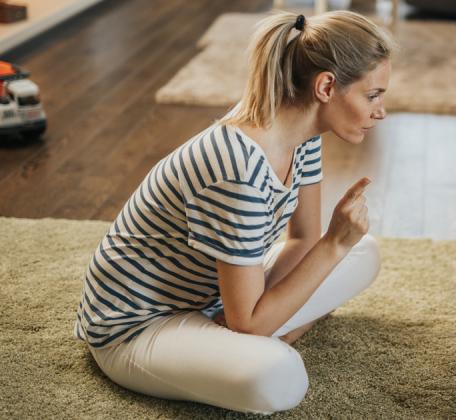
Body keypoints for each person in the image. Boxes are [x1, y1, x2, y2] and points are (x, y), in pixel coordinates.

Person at [73, 10, 394, 414]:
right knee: (280, 377)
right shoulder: (237, 168)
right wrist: (334, 245)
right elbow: (251, 321)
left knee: (365, 252)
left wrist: (331, 249)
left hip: (213, 300)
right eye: (373, 95)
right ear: (326, 86)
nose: (381, 111)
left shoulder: (302, 135)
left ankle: (251, 337)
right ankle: (265, 339)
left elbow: (302, 240)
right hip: (136, 325)